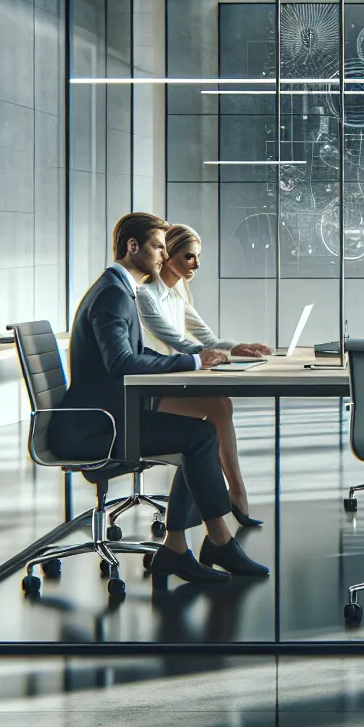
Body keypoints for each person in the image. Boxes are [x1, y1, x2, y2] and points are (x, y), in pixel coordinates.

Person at [49, 212, 269, 585]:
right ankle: (215, 543)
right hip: (96, 428)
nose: (162, 256)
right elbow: (120, 362)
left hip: (109, 416)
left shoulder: (117, 289)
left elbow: (135, 356)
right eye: (157, 247)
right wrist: (194, 360)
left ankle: (182, 548)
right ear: (133, 247)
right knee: (199, 437)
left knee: (199, 432)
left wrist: (191, 361)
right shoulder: (113, 294)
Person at [136, 223, 270, 527]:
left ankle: (235, 495)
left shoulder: (177, 292)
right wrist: (219, 357)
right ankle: (234, 499)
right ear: (168, 255)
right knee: (216, 410)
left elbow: (205, 337)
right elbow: (180, 342)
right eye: (189, 257)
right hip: (150, 389)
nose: (196, 264)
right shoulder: (145, 296)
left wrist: (239, 347)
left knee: (221, 405)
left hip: (174, 381)